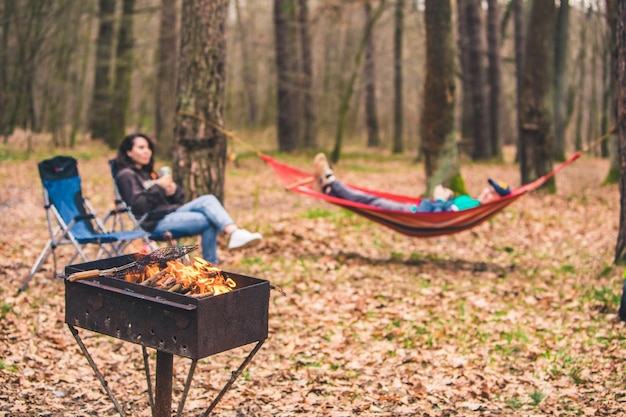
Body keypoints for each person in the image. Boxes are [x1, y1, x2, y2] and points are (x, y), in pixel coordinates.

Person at [115, 132, 262, 264]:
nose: (147, 151)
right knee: (209, 216)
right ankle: (212, 263)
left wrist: (172, 192)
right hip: (152, 222)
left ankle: (232, 236)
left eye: (148, 147)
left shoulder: (148, 173)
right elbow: (138, 206)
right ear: (129, 152)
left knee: (208, 200)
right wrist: (158, 187)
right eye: (141, 148)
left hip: (168, 213)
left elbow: (179, 200)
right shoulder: (126, 175)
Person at [312, 153, 509, 213]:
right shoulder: (471, 204)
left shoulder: (471, 210)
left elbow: (439, 217)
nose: (486, 192)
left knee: (369, 200)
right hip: (415, 209)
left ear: (496, 202)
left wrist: (439, 198)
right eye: (489, 188)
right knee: (370, 199)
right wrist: (447, 198)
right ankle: (330, 189)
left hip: (414, 214)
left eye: (493, 193)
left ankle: (331, 182)